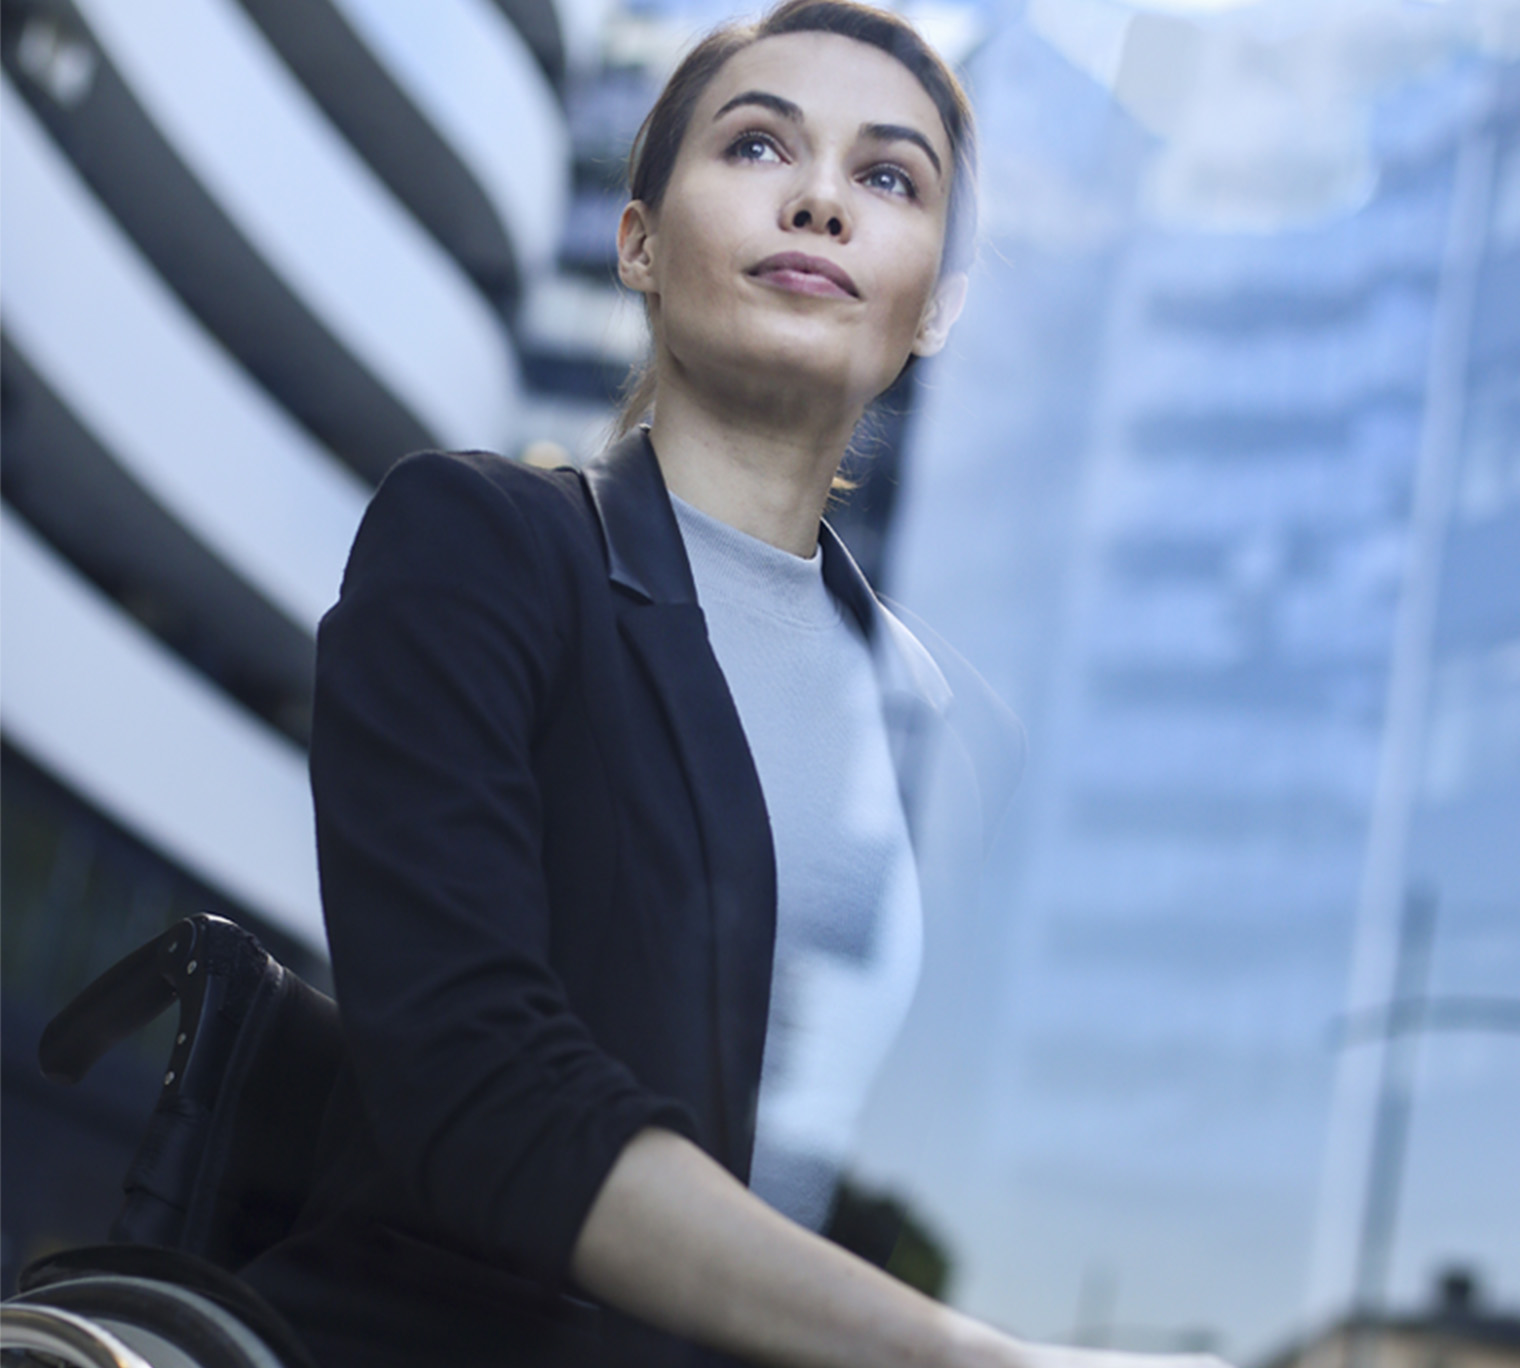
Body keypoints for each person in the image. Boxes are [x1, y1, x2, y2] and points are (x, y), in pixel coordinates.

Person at [239, 5, 1224, 1368]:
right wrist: (976, 1361)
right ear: (639, 242)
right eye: (759, 146)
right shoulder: (479, 545)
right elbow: (479, 1087)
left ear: (939, 305)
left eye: (890, 178)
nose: (820, 200)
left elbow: (921, 1183)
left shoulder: (958, 737)